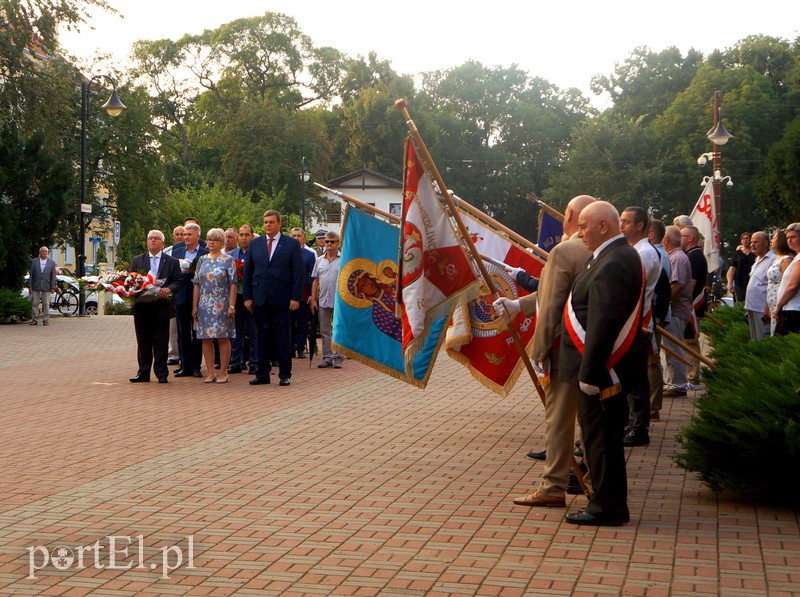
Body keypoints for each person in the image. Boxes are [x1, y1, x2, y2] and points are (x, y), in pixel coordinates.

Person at [494, 194, 595, 509]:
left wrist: (538, 350)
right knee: (592, 421)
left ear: (569, 218)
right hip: (598, 348)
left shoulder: (567, 251)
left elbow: (553, 301)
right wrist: (519, 304)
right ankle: (594, 482)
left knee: (559, 420)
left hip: (566, 346)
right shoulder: (614, 251)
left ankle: (553, 486)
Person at [560, 201, 643, 526]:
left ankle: (606, 507)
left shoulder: (614, 261)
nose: (579, 232)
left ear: (603, 226)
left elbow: (603, 322)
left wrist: (591, 372)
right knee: (598, 438)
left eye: (583, 226)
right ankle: (605, 501)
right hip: (596, 368)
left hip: (601, 372)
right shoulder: (609, 256)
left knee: (602, 439)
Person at [243, 210, 304, 387]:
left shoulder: (291, 244)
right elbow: (248, 272)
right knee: (261, 337)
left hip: (282, 299)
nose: (268, 225)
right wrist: (247, 297)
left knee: (282, 338)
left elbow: (298, 273)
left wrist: (295, 297)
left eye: (271, 222)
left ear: (279, 224)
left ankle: (284, 374)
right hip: (260, 298)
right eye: (265, 222)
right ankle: (262, 373)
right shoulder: (255, 244)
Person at [620, 206, 661, 446]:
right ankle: (631, 424)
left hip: (638, 322)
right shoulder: (635, 250)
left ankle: (638, 428)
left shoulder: (643, 253)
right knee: (630, 378)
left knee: (635, 380)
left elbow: (633, 289)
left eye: (626, 222)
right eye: (621, 221)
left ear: (640, 225)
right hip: (633, 321)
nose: (621, 225)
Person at [129, 231, 183, 383]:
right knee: (143, 341)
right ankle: (143, 372)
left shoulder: (171, 261)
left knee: (161, 341)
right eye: (150, 238)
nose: (153, 241)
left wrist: (169, 289)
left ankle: (161, 372)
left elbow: (178, 281)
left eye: (156, 238)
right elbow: (131, 280)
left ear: (162, 243)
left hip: (162, 306)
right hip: (142, 307)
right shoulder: (137, 260)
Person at [192, 228, 237, 383]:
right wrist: (195, 306)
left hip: (221, 303)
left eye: (215, 240)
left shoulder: (228, 260)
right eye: (209, 239)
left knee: (223, 338)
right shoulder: (202, 260)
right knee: (205, 338)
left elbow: (233, 284)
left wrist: (231, 305)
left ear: (221, 242)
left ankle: (223, 371)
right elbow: (196, 284)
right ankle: (211, 372)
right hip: (204, 303)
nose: (211, 242)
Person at [171, 222, 209, 378]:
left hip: (198, 296)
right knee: (182, 333)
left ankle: (196, 366)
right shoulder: (177, 250)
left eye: (189, 235)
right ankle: (184, 365)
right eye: (184, 234)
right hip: (180, 295)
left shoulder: (205, 252)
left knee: (197, 332)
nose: (185, 237)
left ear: (197, 236)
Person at [662, 226, 692, 398]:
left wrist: (665, 305)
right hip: (674, 310)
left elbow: (678, 284)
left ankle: (678, 384)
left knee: (674, 347)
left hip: (675, 310)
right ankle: (671, 382)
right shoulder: (674, 256)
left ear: (666, 240)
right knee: (669, 348)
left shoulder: (678, 258)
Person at [647, 219, 671, 422]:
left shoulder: (654, 254)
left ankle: (652, 406)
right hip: (653, 317)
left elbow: (664, 289)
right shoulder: (656, 252)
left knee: (651, 362)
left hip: (652, 318)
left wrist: (658, 317)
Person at [227, 224, 259, 375]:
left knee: (253, 331)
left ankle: (254, 362)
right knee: (236, 330)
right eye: (241, 235)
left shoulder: (258, 253)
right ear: (238, 237)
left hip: (253, 297)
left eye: (247, 235)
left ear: (252, 236)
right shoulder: (231, 255)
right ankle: (236, 362)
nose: (244, 237)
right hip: (236, 296)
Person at [310, 231, 344, 369]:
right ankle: (327, 357)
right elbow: (315, 280)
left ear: (338, 243)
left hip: (339, 301)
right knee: (324, 330)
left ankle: (338, 357)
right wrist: (313, 299)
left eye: (332, 241)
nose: (329, 244)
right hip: (323, 299)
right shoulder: (319, 260)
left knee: (338, 329)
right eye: (327, 241)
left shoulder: (343, 259)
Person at [680, 226, 708, 385]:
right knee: (685, 340)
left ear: (690, 237)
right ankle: (688, 374)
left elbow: (690, 285)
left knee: (690, 340)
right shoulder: (691, 255)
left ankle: (693, 376)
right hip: (689, 305)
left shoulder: (695, 257)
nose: (679, 238)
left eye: (681, 235)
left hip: (692, 306)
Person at [290, 227, 317, 359]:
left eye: (298, 236)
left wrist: (312, 295)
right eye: (293, 236)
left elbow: (313, 277)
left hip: (304, 292)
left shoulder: (309, 255)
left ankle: (300, 347)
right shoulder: (284, 253)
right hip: (287, 292)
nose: (296, 238)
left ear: (304, 238)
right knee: (288, 321)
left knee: (301, 321)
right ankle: (289, 348)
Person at [743, 231, 774, 341]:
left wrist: (767, 307)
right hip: (752, 306)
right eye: (751, 242)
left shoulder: (772, 260)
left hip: (762, 309)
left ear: (766, 243)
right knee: (754, 341)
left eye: (756, 242)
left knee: (762, 341)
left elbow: (773, 286)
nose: (752, 245)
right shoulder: (757, 259)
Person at [766, 229, 796, 336]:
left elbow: (789, 283)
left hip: (781, 304)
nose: (771, 240)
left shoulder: (787, 260)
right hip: (772, 304)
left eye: (774, 237)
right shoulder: (776, 258)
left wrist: (779, 306)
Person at [773, 223, 800, 335]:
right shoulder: (797, 257)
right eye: (788, 237)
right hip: (789, 308)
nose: (789, 240)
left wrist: (778, 306)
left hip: (794, 309)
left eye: (793, 237)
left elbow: (792, 286)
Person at [163, 225, 184, 365]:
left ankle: (184, 355)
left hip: (184, 292)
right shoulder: (167, 252)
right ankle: (173, 354)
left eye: (182, 234)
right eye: (177, 234)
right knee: (172, 326)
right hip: (169, 293)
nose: (180, 237)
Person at [28, 246, 57, 326]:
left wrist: (52, 287)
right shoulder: (34, 261)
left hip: (46, 286)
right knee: (35, 303)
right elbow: (32, 274)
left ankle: (45, 319)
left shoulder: (51, 262)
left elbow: (53, 276)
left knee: (46, 304)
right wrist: (30, 285)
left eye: (46, 252)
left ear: (48, 253)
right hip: (35, 285)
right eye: (43, 251)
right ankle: (34, 319)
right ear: (40, 252)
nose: (44, 253)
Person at [727, 232, 755, 303]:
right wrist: (730, 283)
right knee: (740, 303)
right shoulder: (737, 253)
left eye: (747, 238)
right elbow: (732, 269)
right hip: (739, 282)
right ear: (741, 241)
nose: (745, 240)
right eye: (743, 239)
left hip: (752, 282)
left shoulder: (755, 253)